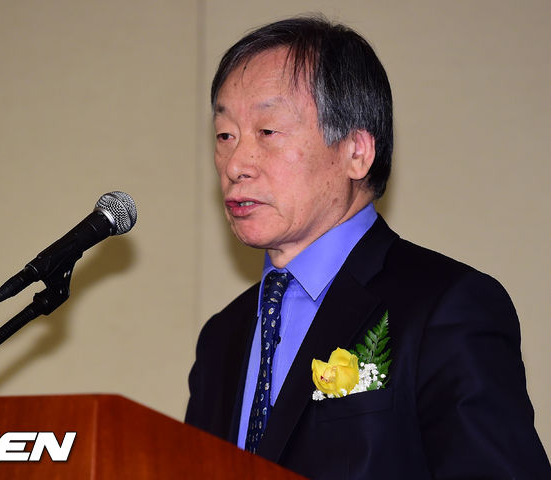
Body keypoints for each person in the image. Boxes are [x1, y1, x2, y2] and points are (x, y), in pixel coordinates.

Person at [185, 15, 550, 479]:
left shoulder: (445, 309)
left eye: (268, 131)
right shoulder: (222, 337)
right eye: (225, 135)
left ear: (357, 151)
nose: (236, 163)